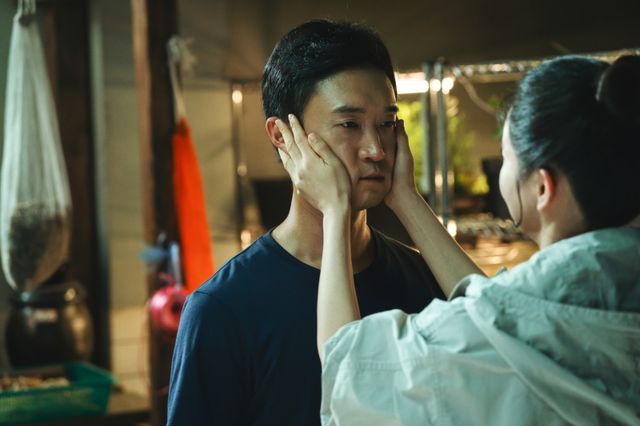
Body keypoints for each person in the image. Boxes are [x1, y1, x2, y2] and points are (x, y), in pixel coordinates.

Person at [277, 54, 640, 425]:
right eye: (350, 124)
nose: (376, 150)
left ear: (542, 187)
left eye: (505, 158)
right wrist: (405, 197)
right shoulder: (594, 293)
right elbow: (498, 317)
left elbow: (350, 373)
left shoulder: (510, 324)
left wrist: (335, 209)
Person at [167, 20, 445, 425]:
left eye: (386, 124)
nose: (376, 150)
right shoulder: (223, 310)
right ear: (282, 135)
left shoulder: (424, 278)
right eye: (349, 125)